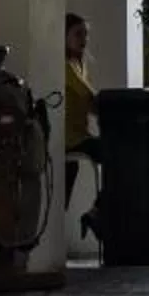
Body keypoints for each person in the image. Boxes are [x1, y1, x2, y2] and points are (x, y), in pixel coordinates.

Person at [63, 12, 101, 216]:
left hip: (80, 135)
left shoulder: (79, 64)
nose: (84, 39)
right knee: (115, 151)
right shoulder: (66, 66)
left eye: (86, 34)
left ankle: (98, 208)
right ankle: (99, 209)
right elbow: (88, 97)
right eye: (78, 34)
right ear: (64, 36)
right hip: (70, 138)